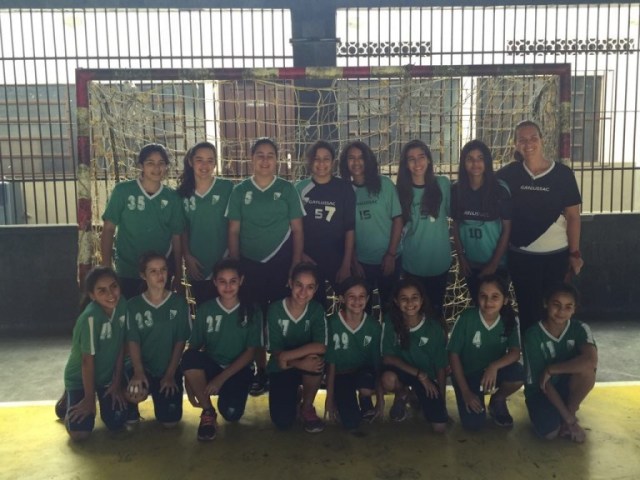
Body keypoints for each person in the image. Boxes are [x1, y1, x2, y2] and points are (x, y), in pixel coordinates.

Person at [227, 137, 305, 395]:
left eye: (270, 155)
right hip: (250, 266)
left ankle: (283, 367)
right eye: (259, 155)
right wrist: (237, 268)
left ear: (277, 160)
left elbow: (297, 229)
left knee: (281, 318)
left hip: (281, 264)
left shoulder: (287, 189)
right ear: (251, 159)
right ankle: (260, 370)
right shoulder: (240, 191)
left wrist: (295, 265)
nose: (265, 160)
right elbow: (233, 231)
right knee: (256, 320)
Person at [497, 121, 583, 335]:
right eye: (522, 139)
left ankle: (554, 354)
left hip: (556, 257)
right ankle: (530, 355)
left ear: (542, 140)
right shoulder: (508, 174)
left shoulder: (563, 174)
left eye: (533, 138)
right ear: (515, 144)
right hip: (521, 257)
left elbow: (573, 216)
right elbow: (483, 187)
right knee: (528, 313)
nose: (528, 144)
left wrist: (574, 253)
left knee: (555, 313)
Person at [181, 258, 262, 441]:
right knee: (189, 357)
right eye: (222, 281)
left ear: (241, 281)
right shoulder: (205, 309)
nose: (228, 287)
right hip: (213, 364)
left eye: (233, 281)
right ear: (215, 282)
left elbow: (250, 352)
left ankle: (228, 396)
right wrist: (189, 382)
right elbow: (193, 348)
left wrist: (220, 380)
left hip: (239, 369)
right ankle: (208, 412)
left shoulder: (252, 310)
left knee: (232, 414)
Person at [101, 143, 185, 300]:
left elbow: (176, 237)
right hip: (127, 269)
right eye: (150, 163)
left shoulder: (172, 197)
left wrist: (179, 274)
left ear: (166, 166)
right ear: (141, 166)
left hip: (159, 272)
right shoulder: (122, 191)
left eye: (161, 163)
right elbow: (108, 229)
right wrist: (106, 268)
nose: (156, 168)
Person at [448, 274, 523, 430]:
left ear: (505, 300)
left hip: (491, 373)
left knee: (519, 373)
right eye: (483, 296)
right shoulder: (466, 318)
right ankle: (473, 395)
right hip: (467, 375)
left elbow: (515, 352)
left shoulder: (509, 320)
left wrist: (494, 366)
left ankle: (497, 400)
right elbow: (453, 355)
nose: (488, 302)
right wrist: (466, 392)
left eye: (495, 297)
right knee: (473, 425)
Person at [524, 283, 597, 443]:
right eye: (556, 305)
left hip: (565, 385)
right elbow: (543, 383)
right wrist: (571, 422)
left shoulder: (580, 328)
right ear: (546, 303)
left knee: (587, 371)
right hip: (540, 390)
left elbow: (591, 361)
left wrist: (552, 369)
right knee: (550, 433)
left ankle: (570, 410)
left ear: (574, 309)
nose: (561, 311)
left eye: (568, 307)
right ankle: (564, 417)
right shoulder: (533, 335)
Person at [62, 266, 128, 441]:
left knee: (117, 422)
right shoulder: (90, 318)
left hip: (105, 378)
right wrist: (89, 399)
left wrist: (116, 382)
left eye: (113, 286)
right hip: (80, 378)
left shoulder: (122, 305)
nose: (110, 294)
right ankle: (69, 399)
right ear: (92, 295)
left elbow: (121, 345)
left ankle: (81, 399)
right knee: (80, 433)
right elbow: (87, 361)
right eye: (102, 290)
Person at [125, 252, 190, 427]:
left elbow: (180, 341)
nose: (160, 275)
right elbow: (132, 341)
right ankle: (131, 404)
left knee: (170, 422)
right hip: (142, 367)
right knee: (134, 394)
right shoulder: (132, 305)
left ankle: (161, 395)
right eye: (153, 271)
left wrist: (170, 374)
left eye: (163, 270)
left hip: (167, 368)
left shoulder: (179, 303)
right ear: (143, 275)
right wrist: (138, 372)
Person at [339, 140, 402, 312]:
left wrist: (391, 254)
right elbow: (346, 230)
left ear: (368, 160)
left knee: (390, 309)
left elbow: (398, 220)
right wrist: (353, 261)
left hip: (389, 259)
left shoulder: (385, 184)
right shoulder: (344, 190)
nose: (356, 162)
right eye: (351, 158)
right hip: (361, 264)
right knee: (361, 311)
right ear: (345, 162)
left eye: (361, 157)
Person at [380, 278, 448, 432]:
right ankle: (402, 392)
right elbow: (388, 357)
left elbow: (441, 365)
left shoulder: (433, 327)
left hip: (427, 377)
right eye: (404, 298)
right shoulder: (390, 321)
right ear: (396, 301)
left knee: (439, 427)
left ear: (422, 300)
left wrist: (441, 400)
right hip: (404, 372)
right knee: (388, 378)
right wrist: (419, 374)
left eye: (414, 297)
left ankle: (414, 396)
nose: (409, 303)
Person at [266, 263, 327, 433]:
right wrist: (298, 362)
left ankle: (307, 407)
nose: (303, 292)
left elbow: (321, 346)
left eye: (310, 287)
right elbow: (276, 353)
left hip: (305, 364)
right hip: (281, 367)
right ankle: (294, 394)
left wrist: (288, 356)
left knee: (316, 361)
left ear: (316, 289)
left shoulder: (316, 309)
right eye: (299, 285)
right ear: (290, 283)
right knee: (282, 421)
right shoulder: (275, 309)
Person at [295, 140, 356, 306]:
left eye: (326, 159)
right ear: (310, 162)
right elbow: (293, 227)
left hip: (337, 258)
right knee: (312, 305)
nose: (321, 163)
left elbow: (350, 228)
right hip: (309, 259)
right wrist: (300, 254)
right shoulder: (300, 188)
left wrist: (346, 263)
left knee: (344, 304)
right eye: (317, 158)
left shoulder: (344, 188)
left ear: (333, 162)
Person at [451, 140, 512, 303]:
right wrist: (461, 258)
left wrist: (494, 264)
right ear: (463, 163)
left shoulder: (500, 190)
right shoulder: (456, 190)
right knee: (479, 306)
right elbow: (455, 226)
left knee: (497, 308)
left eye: (480, 158)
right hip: (471, 265)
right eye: (470, 159)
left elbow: (507, 229)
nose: (475, 163)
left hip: (497, 265)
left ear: (487, 162)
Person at [396, 140, 451, 317]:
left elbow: (456, 216)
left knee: (435, 313)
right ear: (406, 164)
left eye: (421, 157)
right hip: (412, 264)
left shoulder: (443, 184)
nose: (417, 162)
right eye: (411, 159)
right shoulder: (400, 192)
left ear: (428, 159)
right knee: (414, 314)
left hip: (439, 263)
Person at [177, 141, 234, 306]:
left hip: (224, 262)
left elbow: (235, 225)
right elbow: (182, 228)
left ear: (215, 163)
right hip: (197, 264)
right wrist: (187, 256)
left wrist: (232, 256)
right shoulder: (182, 193)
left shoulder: (227, 188)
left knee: (227, 309)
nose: (204, 165)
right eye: (199, 160)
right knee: (203, 311)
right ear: (190, 162)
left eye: (210, 160)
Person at [324, 277, 384, 431]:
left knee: (367, 376)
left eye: (361, 296)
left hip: (363, 374)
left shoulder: (374, 326)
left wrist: (381, 400)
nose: (357, 301)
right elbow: (331, 365)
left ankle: (365, 399)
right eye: (351, 296)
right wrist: (330, 399)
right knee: (351, 422)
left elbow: (377, 364)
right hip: (341, 374)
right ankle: (344, 399)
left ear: (368, 299)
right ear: (342, 299)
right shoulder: (332, 323)